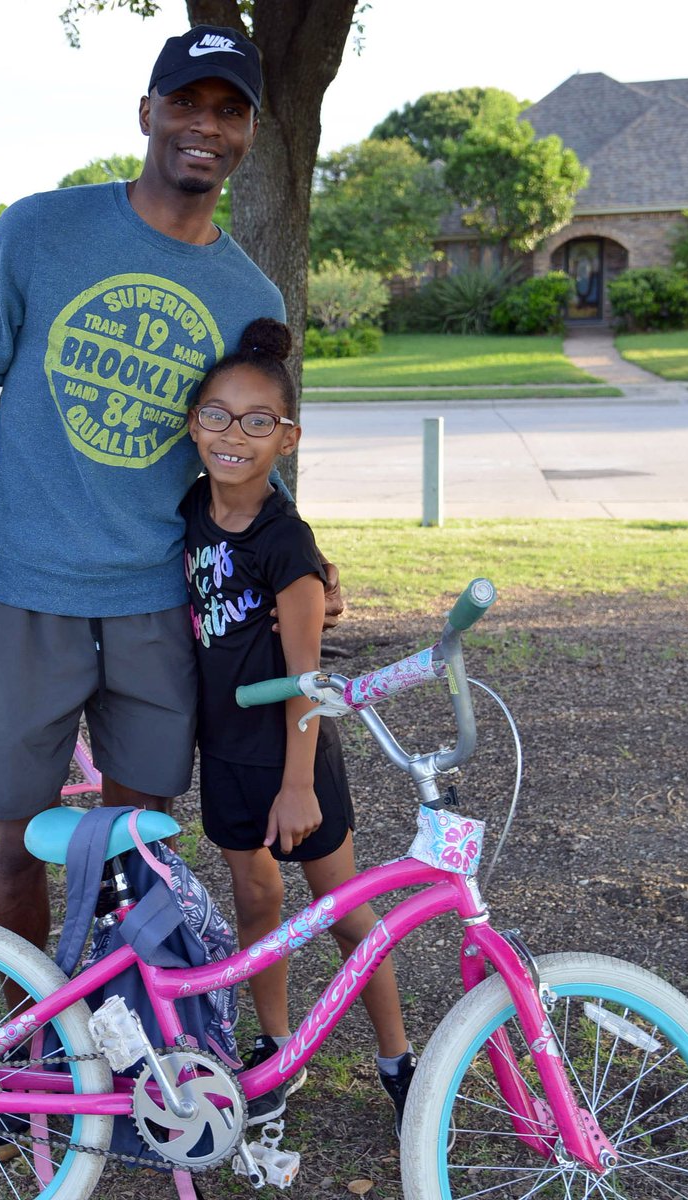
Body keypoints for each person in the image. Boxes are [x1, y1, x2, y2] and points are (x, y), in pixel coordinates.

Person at [0, 24, 341, 977]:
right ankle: (30, 1044)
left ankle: (122, 1035)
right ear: (147, 113)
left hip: (155, 603)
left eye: (229, 111)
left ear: (249, 134)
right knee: (13, 842)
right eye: (185, 104)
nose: (204, 127)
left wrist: (301, 550)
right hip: (23, 591)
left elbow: (244, 446)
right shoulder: (41, 232)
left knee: (135, 843)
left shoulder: (245, 293)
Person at [182, 318, 416, 1135]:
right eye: (217, 414)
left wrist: (295, 784)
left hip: (295, 762)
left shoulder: (288, 546)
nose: (232, 436)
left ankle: (398, 1061)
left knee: (346, 909)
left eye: (256, 421)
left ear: (286, 438)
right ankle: (276, 1050)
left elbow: (311, 681)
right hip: (227, 754)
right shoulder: (193, 510)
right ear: (193, 424)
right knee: (255, 902)